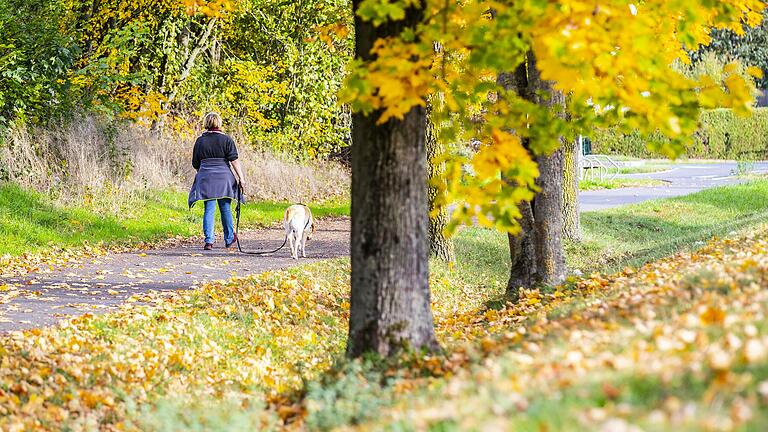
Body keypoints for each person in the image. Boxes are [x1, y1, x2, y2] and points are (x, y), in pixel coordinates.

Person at [188, 112, 246, 250]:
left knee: (209, 208)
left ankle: (209, 241)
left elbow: (196, 163)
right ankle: (229, 239)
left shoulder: (200, 141)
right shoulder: (226, 140)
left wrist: (204, 172)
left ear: (206, 123)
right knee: (225, 208)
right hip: (224, 178)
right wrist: (241, 178)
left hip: (206, 177)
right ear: (219, 123)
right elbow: (234, 160)